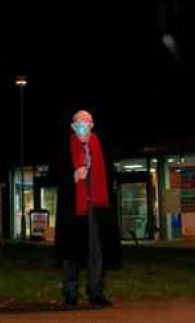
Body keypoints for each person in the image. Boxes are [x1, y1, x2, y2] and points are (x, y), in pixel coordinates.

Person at [54, 110, 121, 308]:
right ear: (72, 126)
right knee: (72, 251)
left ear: (92, 125)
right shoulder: (65, 147)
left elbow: (110, 174)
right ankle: (70, 293)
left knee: (97, 251)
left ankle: (96, 292)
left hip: (98, 208)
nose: (82, 126)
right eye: (78, 123)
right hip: (73, 208)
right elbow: (54, 174)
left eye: (85, 122)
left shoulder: (101, 146)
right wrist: (72, 176)